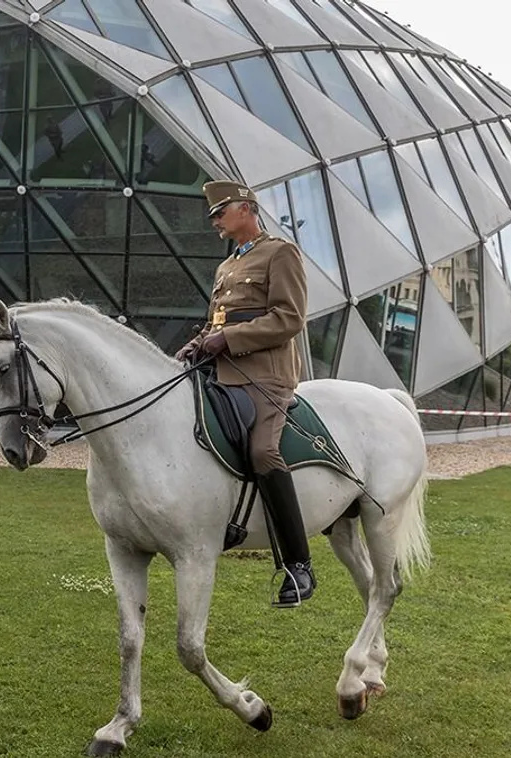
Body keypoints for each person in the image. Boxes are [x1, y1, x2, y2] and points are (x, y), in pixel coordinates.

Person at [174, 180, 313, 609]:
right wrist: (197, 343)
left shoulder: (280, 253)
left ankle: (297, 564)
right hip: (220, 372)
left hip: (265, 378)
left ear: (246, 208)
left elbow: (289, 318)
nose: (214, 219)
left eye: (220, 211)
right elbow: (216, 323)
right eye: (213, 214)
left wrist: (229, 339)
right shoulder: (226, 267)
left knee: (262, 453)